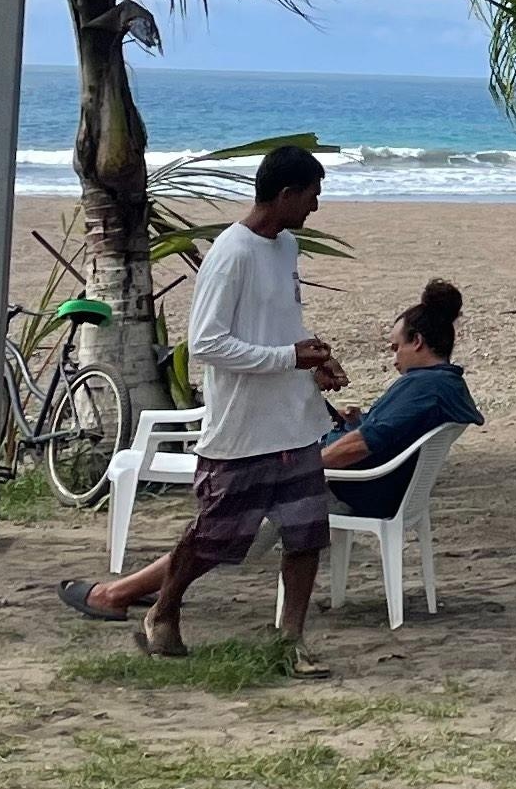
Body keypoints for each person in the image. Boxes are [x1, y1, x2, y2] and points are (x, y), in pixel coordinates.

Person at [63, 142, 342, 658]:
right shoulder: (231, 254)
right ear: (284, 194)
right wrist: (287, 358)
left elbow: (284, 323)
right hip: (242, 427)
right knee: (211, 537)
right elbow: (208, 344)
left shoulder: (286, 248)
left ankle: (291, 641)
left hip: (294, 424)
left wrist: (314, 359)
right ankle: (162, 611)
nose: (314, 208)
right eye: (311, 196)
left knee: (306, 536)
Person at [326, 277, 481, 523]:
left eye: (396, 347)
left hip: (358, 490)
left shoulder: (424, 387)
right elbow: (392, 429)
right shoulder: (447, 384)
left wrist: (306, 465)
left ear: (417, 341)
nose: (394, 357)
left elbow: (366, 442)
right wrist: (360, 419)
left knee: (265, 489)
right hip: (389, 490)